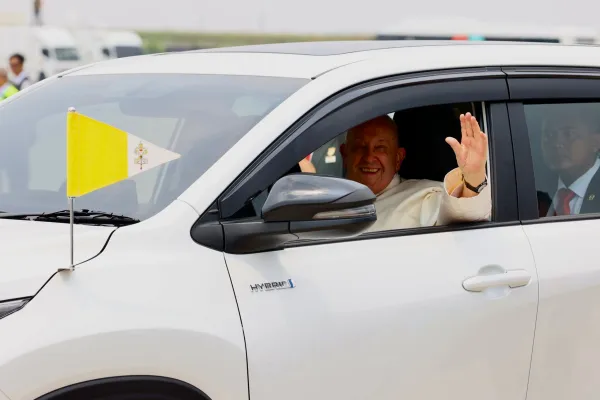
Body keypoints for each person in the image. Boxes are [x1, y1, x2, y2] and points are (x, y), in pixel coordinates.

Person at [340, 113, 490, 232]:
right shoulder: (325, 197)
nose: (369, 157)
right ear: (344, 154)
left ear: (398, 158)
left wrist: (472, 177)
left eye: (380, 148)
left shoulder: (425, 196)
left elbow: (463, 216)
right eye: (360, 147)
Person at [539, 104, 600, 216]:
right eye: (549, 135)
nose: (557, 143)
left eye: (569, 134)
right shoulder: (534, 187)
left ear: (596, 142)